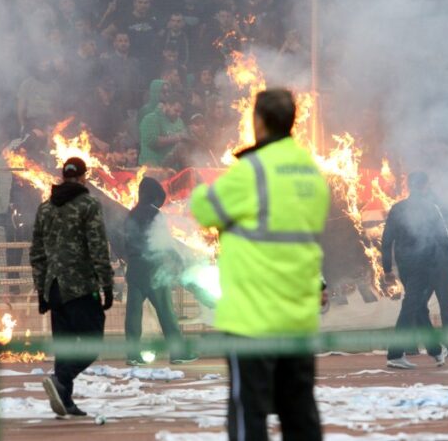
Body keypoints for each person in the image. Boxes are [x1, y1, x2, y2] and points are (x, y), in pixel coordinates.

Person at [191, 89, 329, 441]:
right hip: (298, 318)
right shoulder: (311, 172)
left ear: (258, 121)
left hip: (252, 318)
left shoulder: (252, 171)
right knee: (300, 413)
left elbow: (204, 209)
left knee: (248, 413)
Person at [31, 157, 114, 418]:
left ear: (63, 176)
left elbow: (37, 253)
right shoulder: (88, 204)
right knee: (92, 343)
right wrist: (107, 284)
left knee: (65, 346)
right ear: (83, 177)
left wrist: (41, 291)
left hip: (54, 288)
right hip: (81, 287)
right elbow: (98, 247)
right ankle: (61, 380)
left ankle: (64, 400)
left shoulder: (45, 208)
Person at [381, 172, 448, 368]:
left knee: (418, 306)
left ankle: (435, 350)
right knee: (411, 306)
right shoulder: (431, 208)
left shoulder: (397, 208)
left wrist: (387, 269)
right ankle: (395, 354)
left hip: (404, 265)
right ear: (426, 185)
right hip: (424, 264)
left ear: (409, 186)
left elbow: (386, 241)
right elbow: (442, 238)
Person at [123, 177, 198, 365]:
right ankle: (178, 353)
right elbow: (164, 242)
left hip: (135, 268)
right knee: (166, 312)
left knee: (133, 314)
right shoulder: (156, 215)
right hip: (154, 269)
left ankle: (133, 355)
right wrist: (178, 259)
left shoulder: (131, 214)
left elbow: (126, 241)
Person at [139, 93, 187, 167]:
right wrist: (176, 138)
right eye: (176, 110)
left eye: (181, 112)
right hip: (152, 168)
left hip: (172, 170)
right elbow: (152, 141)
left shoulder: (179, 122)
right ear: (167, 105)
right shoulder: (150, 119)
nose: (178, 114)